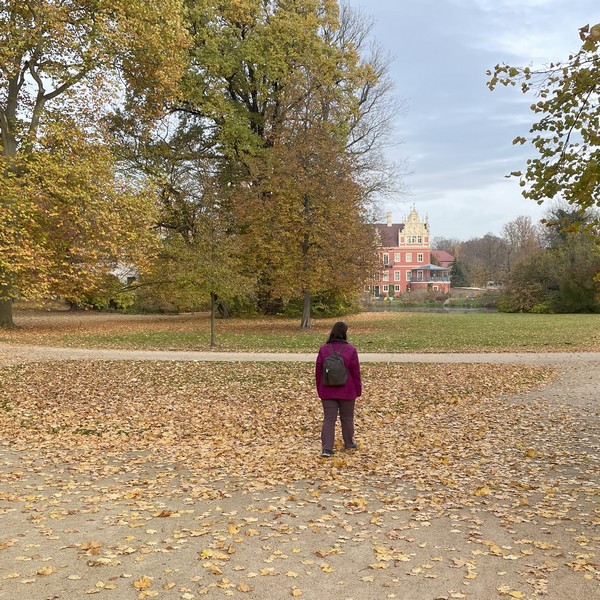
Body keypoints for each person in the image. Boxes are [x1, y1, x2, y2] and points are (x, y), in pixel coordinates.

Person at [315, 321, 362, 458]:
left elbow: (318, 371)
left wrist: (320, 389)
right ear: (345, 333)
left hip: (327, 389)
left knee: (329, 419)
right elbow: (356, 372)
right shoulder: (351, 350)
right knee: (347, 418)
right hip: (347, 390)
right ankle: (349, 443)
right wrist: (358, 390)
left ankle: (327, 449)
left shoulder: (324, 349)